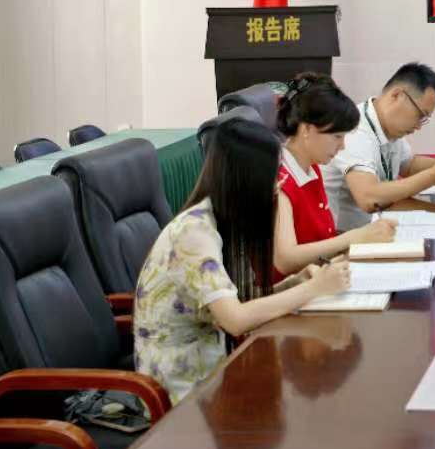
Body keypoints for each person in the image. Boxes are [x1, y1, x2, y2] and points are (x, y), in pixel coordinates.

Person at [135, 114, 353, 404]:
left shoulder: (227, 220)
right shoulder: (194, 234)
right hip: (181, 389)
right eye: (273, 177)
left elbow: (242, 302)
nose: (278, 185)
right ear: (248, 180)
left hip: (220, 368)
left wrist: (295, 282)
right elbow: (235, 320)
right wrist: (314, 289)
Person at [271, 72, 395, 279]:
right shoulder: (279, 178)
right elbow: (285, 259)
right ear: (307, 129)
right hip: (292, 291)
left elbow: (322, 240)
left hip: (321, 279)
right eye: (337, 136)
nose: (342, 146)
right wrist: (354, 237)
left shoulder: (312, 168)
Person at [324, 62, 435, 225]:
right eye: (420, 115)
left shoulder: (388, 127)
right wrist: (433, 176)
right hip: (343, 235)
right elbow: (369, 198)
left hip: (376, 226)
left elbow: (409, 165)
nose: (419, 126)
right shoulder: (356, 130)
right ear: (396, 95)